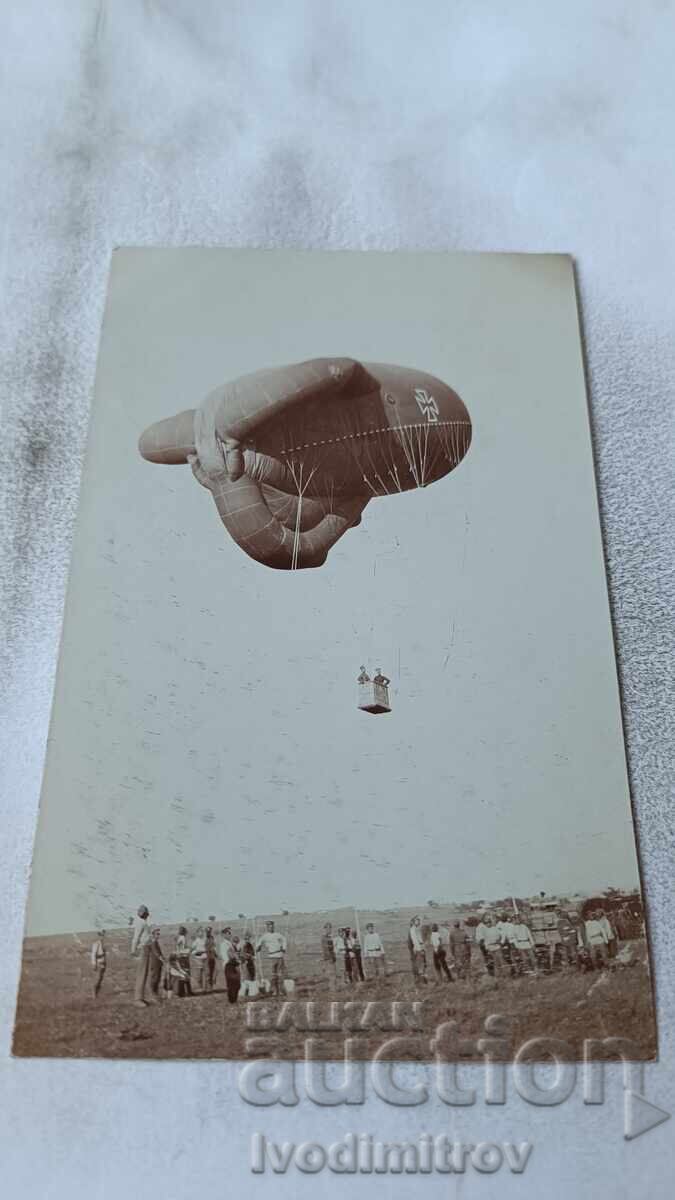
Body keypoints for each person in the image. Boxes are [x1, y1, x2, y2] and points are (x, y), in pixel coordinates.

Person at [256, 920, 287, 996]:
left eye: (272, 926)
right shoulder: (265, 936)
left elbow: (284, 940)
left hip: (279, 955)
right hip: (272, 957)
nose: (271, 928)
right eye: (269, 926)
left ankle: (281, 990)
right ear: (267, 927)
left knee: (280, 974)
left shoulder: (278, 935)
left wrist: (284, 947)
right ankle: (273, 990)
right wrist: (258, 947)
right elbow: (259, 943)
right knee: (273, 975)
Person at [130, 904, 153, 1007]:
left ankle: (140, 998)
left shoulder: (143, 923)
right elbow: (136, 937)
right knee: (141, 974)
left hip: (146, 949)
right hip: (143, 949)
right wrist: (133, 950)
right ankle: (137, 999)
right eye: (146, 913)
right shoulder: (140, 923)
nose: (147, 915)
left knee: (144, 974)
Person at [408, 916, 427, 983]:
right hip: (418, 948)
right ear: (413, 922)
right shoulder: (413, 929)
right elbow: (415, 941)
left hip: (420, 947)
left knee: (422, 963)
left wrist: (423, 948)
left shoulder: (417, 929)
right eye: (417, 920)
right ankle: (421, 980)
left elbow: (421, 940)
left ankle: (421, 979)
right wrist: (420, 950)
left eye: (419, 920)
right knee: (420, 963)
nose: (418, 921)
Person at [175, 926, 193, 995]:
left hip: (182, 957)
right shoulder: (183, 938)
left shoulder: (180, 938)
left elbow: (178, 947)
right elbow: (181, 948)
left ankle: (184, 991)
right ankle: (184, 991)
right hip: (183, 957)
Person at [148, 927, 165, 999]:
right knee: (155, 978)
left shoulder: (156, 942)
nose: (158, 935)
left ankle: (156, 993)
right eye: (157, 934)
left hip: (158, 963)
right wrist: (162, 959)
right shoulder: (153, 943)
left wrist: (163, 959)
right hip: (155, 963)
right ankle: (152, 993)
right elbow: (157, 953)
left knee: (158, 978)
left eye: (159, 934)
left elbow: (159, 953)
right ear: (153, 935)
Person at [90, 930, 107, 999]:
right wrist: (94, 964)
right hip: (98, 962)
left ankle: (97, 993)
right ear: (99, 935)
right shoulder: (96, 944)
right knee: (97, 978)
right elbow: (93, 954)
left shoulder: (102, 943)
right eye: (101, 935)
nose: (102, 936)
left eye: (103, 935)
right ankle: (94, 993)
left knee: (101, 978)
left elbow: (104, 954)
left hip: (103, 962)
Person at [205, 924, 218, 990]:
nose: (208, 933)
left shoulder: (212, 938)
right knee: (208, 972)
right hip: (207, 957)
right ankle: (208, 987)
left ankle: (212, 985)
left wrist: (216, 954)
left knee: (214, 971)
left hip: (212, 957)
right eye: (207, 932)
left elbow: (214, 947)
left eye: (209, 931)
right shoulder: (204, 939)